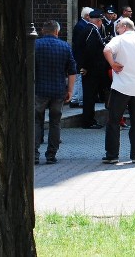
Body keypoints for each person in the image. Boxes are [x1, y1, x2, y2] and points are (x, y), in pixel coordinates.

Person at [102, 18, 135, 164]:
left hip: (121, 87)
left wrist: (113, 64)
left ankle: (112, 155)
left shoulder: (120, 39)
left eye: (118, 27)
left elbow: (106, 50)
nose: (117, 30)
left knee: (113, 121)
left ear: (124, 27)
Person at [33, 20, 77, 164]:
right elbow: (72, 71)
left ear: (42, 31)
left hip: (39, 89)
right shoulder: (65, 46)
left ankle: (34, 154)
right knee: (55, 122)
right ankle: (51, 155)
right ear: (57, 31)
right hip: (58, 91)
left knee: (36, 121)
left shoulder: (35, 45)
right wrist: (70, 90)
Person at [81, 9, 110, 129]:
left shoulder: (91, 29)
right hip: (92, 69)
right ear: (98, 21)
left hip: (92, 68)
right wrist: (85, 67)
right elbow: (90, 50)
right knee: (90, 95)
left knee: (91, 94)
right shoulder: (92, 30)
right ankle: (88, 120)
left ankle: (89, 119)